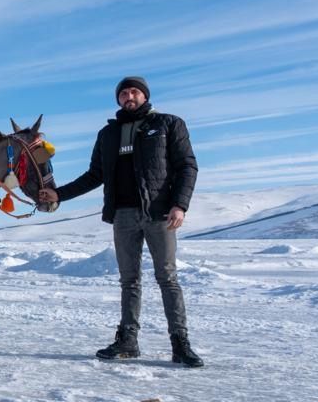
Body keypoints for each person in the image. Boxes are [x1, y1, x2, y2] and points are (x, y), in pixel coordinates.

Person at [38, 76, 203, 367]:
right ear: (118, 99)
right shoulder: (108, 134)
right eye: (124, 93)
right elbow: (94, 175)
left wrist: (180, 204)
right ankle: (128, 341)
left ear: (145, 96)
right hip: (123, 215)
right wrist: (58, 194)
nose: (129, 96)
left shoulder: (168, 124)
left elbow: (187, 166)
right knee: (129, 280)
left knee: (167, 278)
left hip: (159, 213)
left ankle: (180, 343)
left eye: (135, 92)